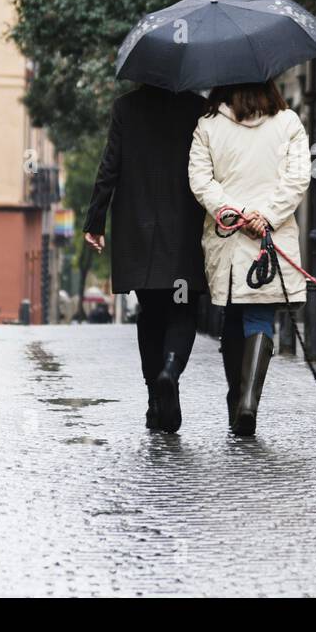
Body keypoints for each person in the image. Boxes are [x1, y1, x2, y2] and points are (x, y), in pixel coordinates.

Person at [188, 80, 310, 436]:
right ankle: (248, 403)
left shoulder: (208, 125)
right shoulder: (288, 123)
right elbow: (298, 178)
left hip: (228, 237)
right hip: (271, 238)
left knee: (232, 313)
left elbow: (200, 181)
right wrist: (266, 216)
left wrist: (237, 213)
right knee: (259, 315)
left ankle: (236, 398)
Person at [83, 85, 208, 433]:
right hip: (184, 233)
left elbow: (110, 166)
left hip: (139, 234)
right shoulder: (198, 108)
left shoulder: (127, 107)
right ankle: (170, 369)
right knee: (182, 308)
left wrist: (95, 221)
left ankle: (156, 397)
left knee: (151, 312)